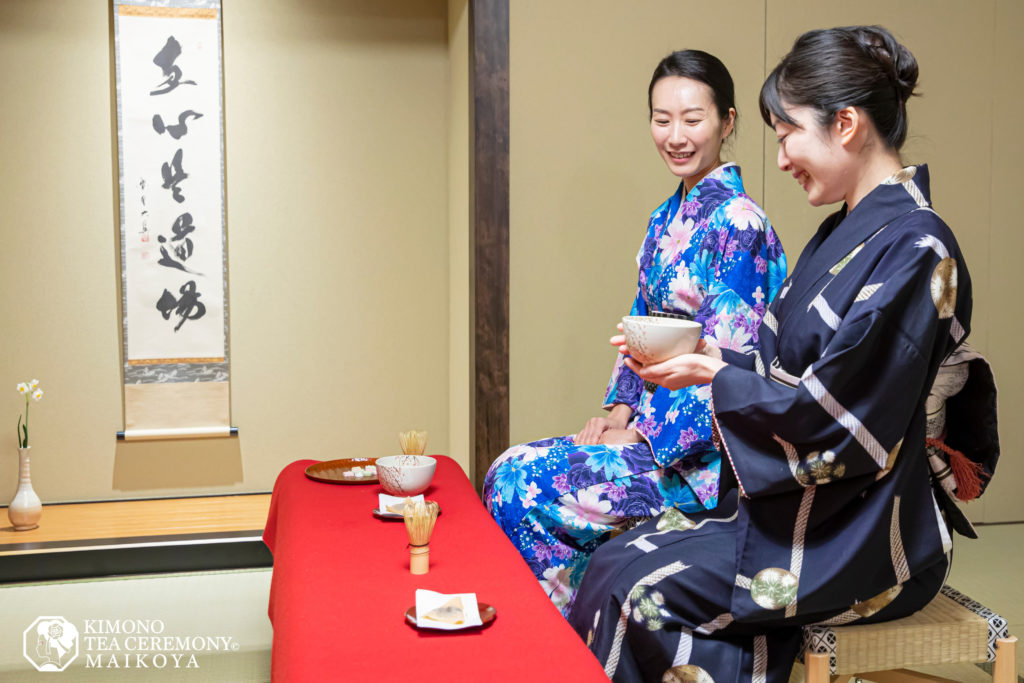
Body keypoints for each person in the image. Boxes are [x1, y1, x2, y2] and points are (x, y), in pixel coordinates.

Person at [568, 26, 978, 682]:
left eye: (787, 133)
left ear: (845, 124)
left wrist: (714, 376)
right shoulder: (841, 234)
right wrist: (711, 359)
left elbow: (844, 422)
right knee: (614, 562)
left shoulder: (916, 250)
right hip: (805, 508)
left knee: (638, 592)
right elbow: (780, 365)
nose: (781, 157)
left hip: (864, 531)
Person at [482, 50, 787, 617]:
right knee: (506, 467)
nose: (675, 135)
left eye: (692, 120)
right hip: (650, 431)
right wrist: (619, 414)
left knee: (525, 487)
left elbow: (726, 364)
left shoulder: (740, 225)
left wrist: (649, 440)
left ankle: (561, 645)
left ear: (728, 120)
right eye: (661, 118)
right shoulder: (662, 219)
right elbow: (639, 323)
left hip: (700, 462)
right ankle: (567, 634)